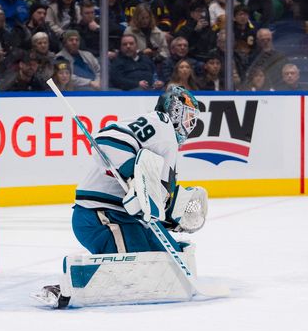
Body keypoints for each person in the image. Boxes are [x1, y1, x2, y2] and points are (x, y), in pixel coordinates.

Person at [37, 87, 206, 307]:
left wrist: (172, 214)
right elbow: (105, 141)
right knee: (139, 268)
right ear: (174, 111)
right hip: (99, 216)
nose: (191, 124)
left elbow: (153, 196)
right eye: (188, 116)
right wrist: (130, 175)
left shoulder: (167, 141)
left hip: (123, 217)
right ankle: (67, 286)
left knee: (168, 258)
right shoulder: (160, 124)